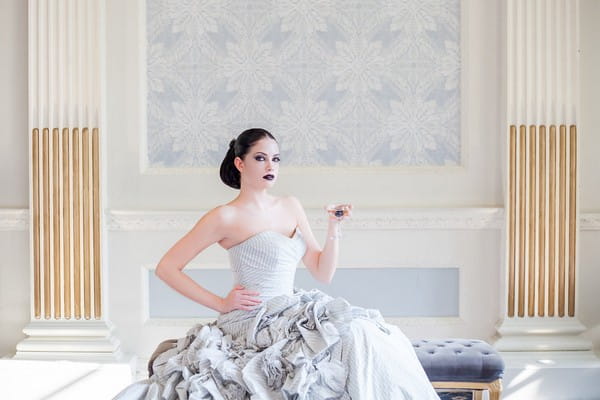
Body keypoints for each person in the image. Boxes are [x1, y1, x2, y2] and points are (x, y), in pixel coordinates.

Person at [114, 128, 440, 399]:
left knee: (364, 332)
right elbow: (167, 267)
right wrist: (221, 302)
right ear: (240, 163)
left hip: (292, 307)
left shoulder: (290, 205)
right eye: (260, 157)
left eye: (276, 158)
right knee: (344, 342)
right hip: (253, 318)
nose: (271, 165)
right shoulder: (225, 216)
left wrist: (333, 227)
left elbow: (322, 271)